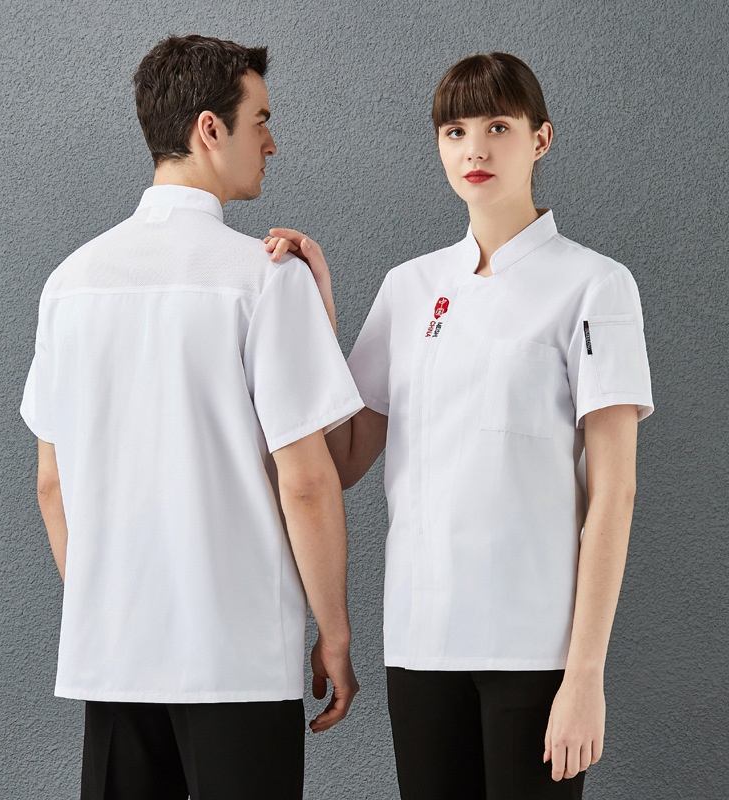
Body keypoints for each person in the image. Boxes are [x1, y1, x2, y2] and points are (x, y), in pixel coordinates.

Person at [264, 52, 653, 799]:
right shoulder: (410, 288)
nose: (475, 149)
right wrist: (316, 311)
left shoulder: (595, 285)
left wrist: (585, 675)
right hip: (421, 642)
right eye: (455, 131)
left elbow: (615, 495)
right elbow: (343, 458)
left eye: (498, 127)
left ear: (540, 139)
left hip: (536, 649)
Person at [20, 34, 363, 800]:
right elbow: (308, 482)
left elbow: (52, 484)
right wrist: (335, 634)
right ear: (211, 128)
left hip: (113, 658)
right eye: (260, 120)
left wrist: (108, 603)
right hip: (236, 660)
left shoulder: (68, 284)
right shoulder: (264, 279)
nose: (271, 143)